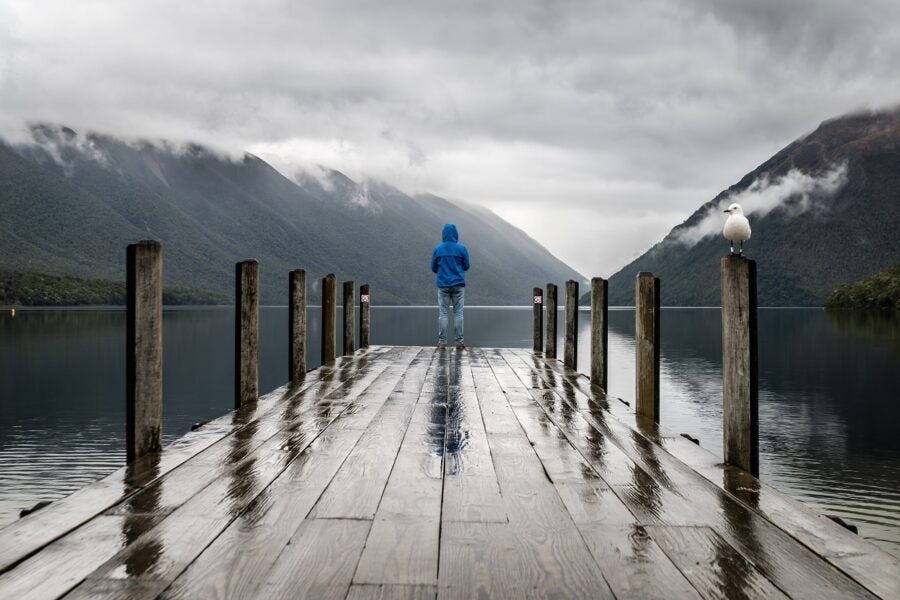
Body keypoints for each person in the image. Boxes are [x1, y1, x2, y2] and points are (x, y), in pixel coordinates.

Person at [431, 223, 470, 349]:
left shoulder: (438, 249)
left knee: (443, 313)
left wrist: (442, 272)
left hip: (443, 285)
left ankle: (442, 342)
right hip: (458, 285)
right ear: (455, 234)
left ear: (444, 234)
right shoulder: (462, 248)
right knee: (458, 313)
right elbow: (466, 266)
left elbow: (433, 267)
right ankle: (459, 342)